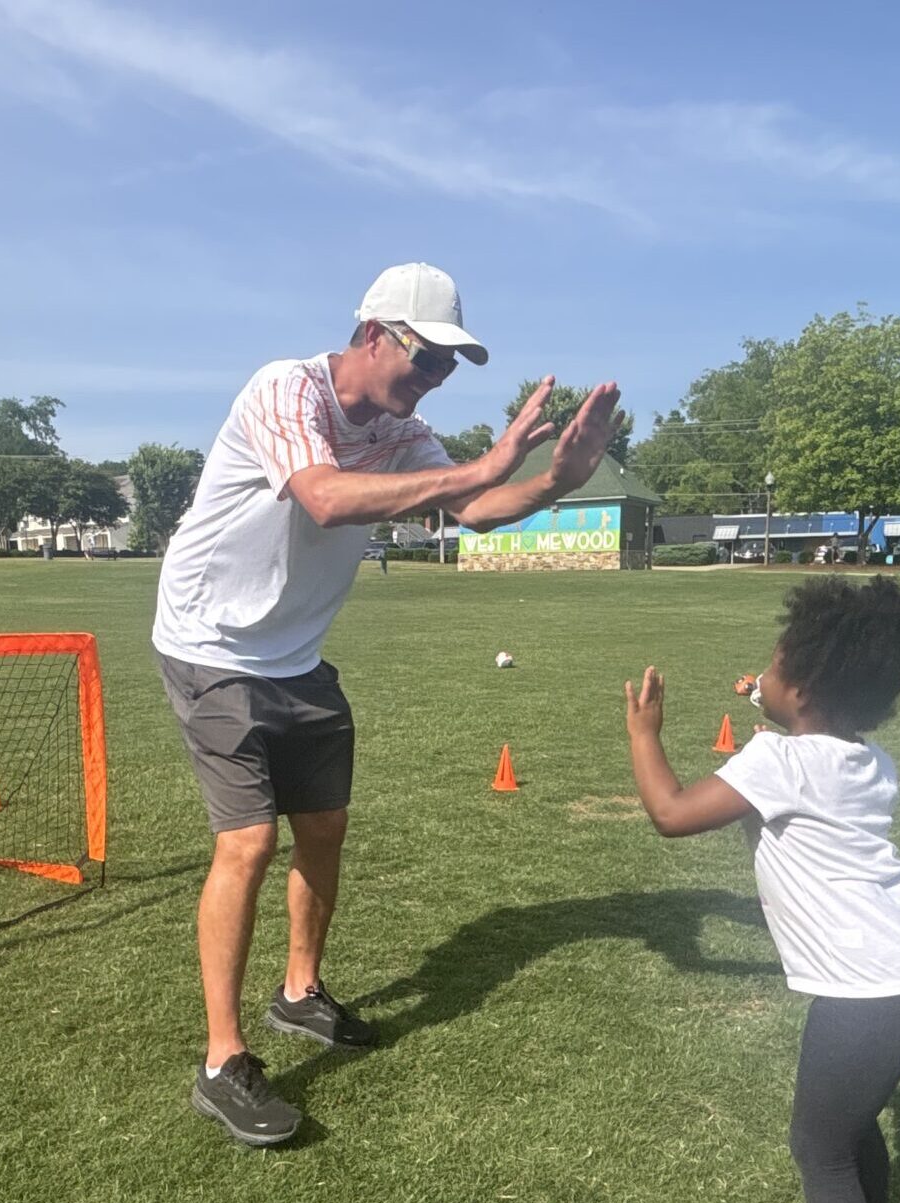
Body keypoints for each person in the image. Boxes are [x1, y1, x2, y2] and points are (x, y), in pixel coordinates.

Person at [154, 262, 622, 1147]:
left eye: (449, 369)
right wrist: (481, 464)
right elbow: (326, 499)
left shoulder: (405, 434)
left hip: (298, 659)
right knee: (250, 841)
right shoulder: (282, 390)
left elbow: (478, 508)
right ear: (373, 334)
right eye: (425, 360)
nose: (434, 380)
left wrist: (558, 481)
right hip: (210, 645)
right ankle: (223, 1062)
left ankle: (299, 992)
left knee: (323, 830)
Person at [622, 576, 900, 1203]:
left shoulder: (780, 758)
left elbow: (670, 813)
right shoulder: (865, 758)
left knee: (819, 1146)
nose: (759, 676)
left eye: (771, 666)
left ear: (801, 688)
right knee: (852, 1125)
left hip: (872, 990)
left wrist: (643, 733)